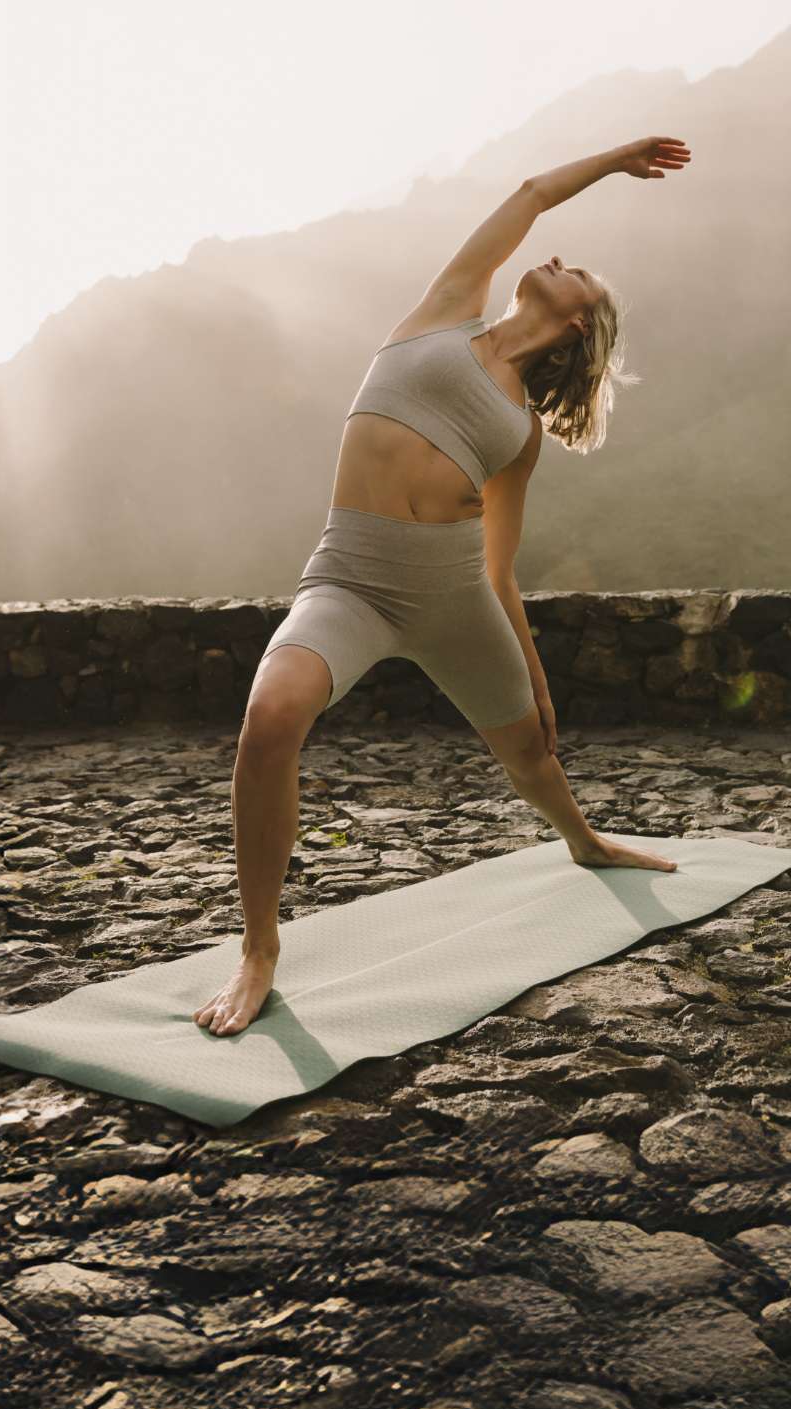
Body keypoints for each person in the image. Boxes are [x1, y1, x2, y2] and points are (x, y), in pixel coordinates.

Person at [194, 135, 696, 1037]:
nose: (553, 259)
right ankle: (260, 950)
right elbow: (535, 192)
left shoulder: (522, 432)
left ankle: (584, 841)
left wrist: (535, 679)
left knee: (531, 753)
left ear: (580, 322)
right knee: (269, 723)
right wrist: (619, 157)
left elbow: (499, 567)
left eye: (576, 271)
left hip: (452, 595)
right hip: (348, 579)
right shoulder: (446, 310)